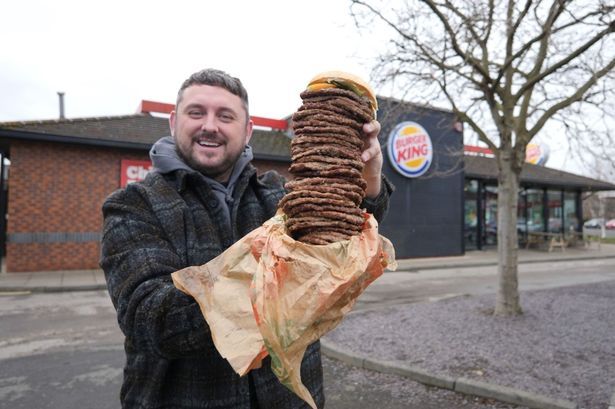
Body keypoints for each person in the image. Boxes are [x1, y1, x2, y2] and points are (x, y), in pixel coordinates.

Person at [100, 68, 393, 409]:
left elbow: (340, 242)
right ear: (173, 121)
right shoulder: (133, 205)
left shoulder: (280, 197)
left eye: (226, 116)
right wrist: (282, 278)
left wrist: (368, 179)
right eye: (197, 112)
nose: (210, 125)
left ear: (248, 130)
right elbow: (151, 320)